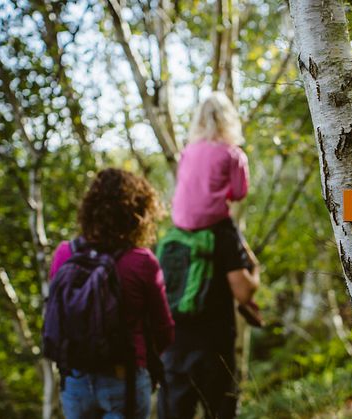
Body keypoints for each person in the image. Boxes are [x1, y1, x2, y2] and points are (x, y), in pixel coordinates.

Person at [158, 92, 261, 419]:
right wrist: (254, 273)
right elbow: (240, 192)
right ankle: (254, 311)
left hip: (174, 346)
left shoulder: (188, 152)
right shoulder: (232, 156)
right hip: (211, 347)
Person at [48, 168, 175, 419]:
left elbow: (55, 316)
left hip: (75, 381)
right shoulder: (142, 261)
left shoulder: (64, 253)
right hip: (124, 378)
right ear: (138, 213)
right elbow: (164, 330)